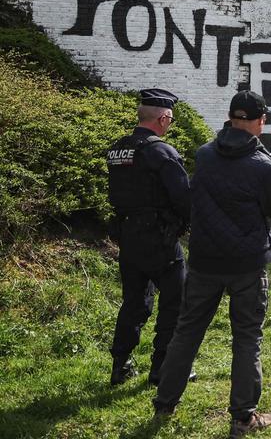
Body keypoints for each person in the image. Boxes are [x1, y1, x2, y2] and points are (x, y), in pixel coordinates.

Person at [153, 90, 271, 437]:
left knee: (187, 331)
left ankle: (165, 401)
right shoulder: (263, 166)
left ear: (230, 119)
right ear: (259, 122)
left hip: (205, 260)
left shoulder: (204, 155)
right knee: (247, 338)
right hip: (246, 264)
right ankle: (242, 416)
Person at [105, 88, 194, 387]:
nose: (170, 125)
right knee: (174, 302)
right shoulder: (161, 152)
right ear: (163, 118)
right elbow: (184, 198)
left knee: (133, 301)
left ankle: (121, 365)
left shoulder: (118, 149)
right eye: (170, 120)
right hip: (161, 240)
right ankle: (163, 369)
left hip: (128, 237)